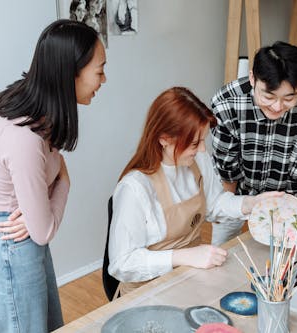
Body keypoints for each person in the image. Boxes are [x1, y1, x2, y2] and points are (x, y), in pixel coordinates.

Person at [0, 20, 106, 332]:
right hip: (10, 242)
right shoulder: (25, 135)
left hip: (20, 238)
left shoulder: (41, 115)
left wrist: (55, 190)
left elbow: (55, 169)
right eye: (99, 71)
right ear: (71, 72)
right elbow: (43, 229)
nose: (103, 79)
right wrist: (64, 185)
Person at [107, 87, 282, 296]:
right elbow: (122, 264)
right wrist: (184, 256)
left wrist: (250, 204)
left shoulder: (197, 160)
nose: (202, 149)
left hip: (189, 278)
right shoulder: (135, 188)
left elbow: (214, 204)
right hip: (147, 292)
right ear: (164, 139)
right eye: (194, 143)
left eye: (203, 140)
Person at [210, 41, 297, 245]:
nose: (277, 106)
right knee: (224, 252)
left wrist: (287, 217)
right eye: (268, 96)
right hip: (236, 193)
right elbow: (227, 170)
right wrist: (230, 212)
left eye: (289, 98)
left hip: (284, 193)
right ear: (252, 78)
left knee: (284, 255)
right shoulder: (226, 102)